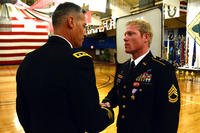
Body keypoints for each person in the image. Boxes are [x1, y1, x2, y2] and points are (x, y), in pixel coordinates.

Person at [16, 2, 114, 133]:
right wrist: (107, 111)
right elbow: (92, 122)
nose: (85, 33)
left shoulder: (28, 60)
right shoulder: (79, 61)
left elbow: (22, 111)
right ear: (71, 22)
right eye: (84, 26)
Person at [101, 19, 180, 133]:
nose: (125, 38)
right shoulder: (123, 67)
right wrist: (107, 102)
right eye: (125, 34)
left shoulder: (161, 69)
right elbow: (117, 92)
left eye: (130, 33)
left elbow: (169, 115)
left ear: (146, 37)